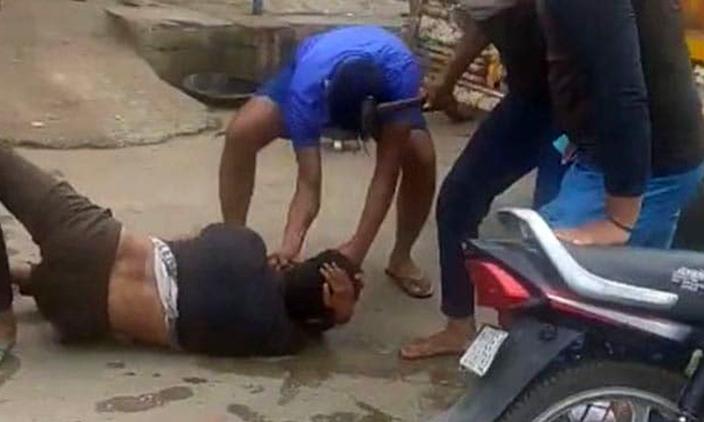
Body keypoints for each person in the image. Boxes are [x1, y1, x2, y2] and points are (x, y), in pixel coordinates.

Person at [0, 144, 363, 361]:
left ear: (295, 265)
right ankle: (26, 278)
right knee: (71, 282)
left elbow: (203, 238)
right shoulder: (272, 335)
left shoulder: (244, 244)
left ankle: (9, 295)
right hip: (80, 312)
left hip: (92, 240)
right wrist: (340, 314)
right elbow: (309, 329)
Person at [219, 25, 437, 298]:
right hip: (315, 64)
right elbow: (308, 183)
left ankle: (401, 258)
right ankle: (235, 245)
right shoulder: (306, 91)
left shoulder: (402, 76)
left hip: (388, 78)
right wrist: (290, 246)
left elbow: (386, 174)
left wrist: (356, 251)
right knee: (241, 133)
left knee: (421, 157)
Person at [401, 0, 565, 359]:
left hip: (577, 106)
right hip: (528, 102)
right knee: (458, 200)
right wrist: (446, 82)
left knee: (555, 228)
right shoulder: (487, 10)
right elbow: (483, 22)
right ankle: (459, 326)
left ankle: (557, 345)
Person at [538, 0, 704, 248]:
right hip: (657, 148)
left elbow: (620, 89)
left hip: (647, 161)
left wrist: (619, 220)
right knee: (639, 267)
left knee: (540, 259)